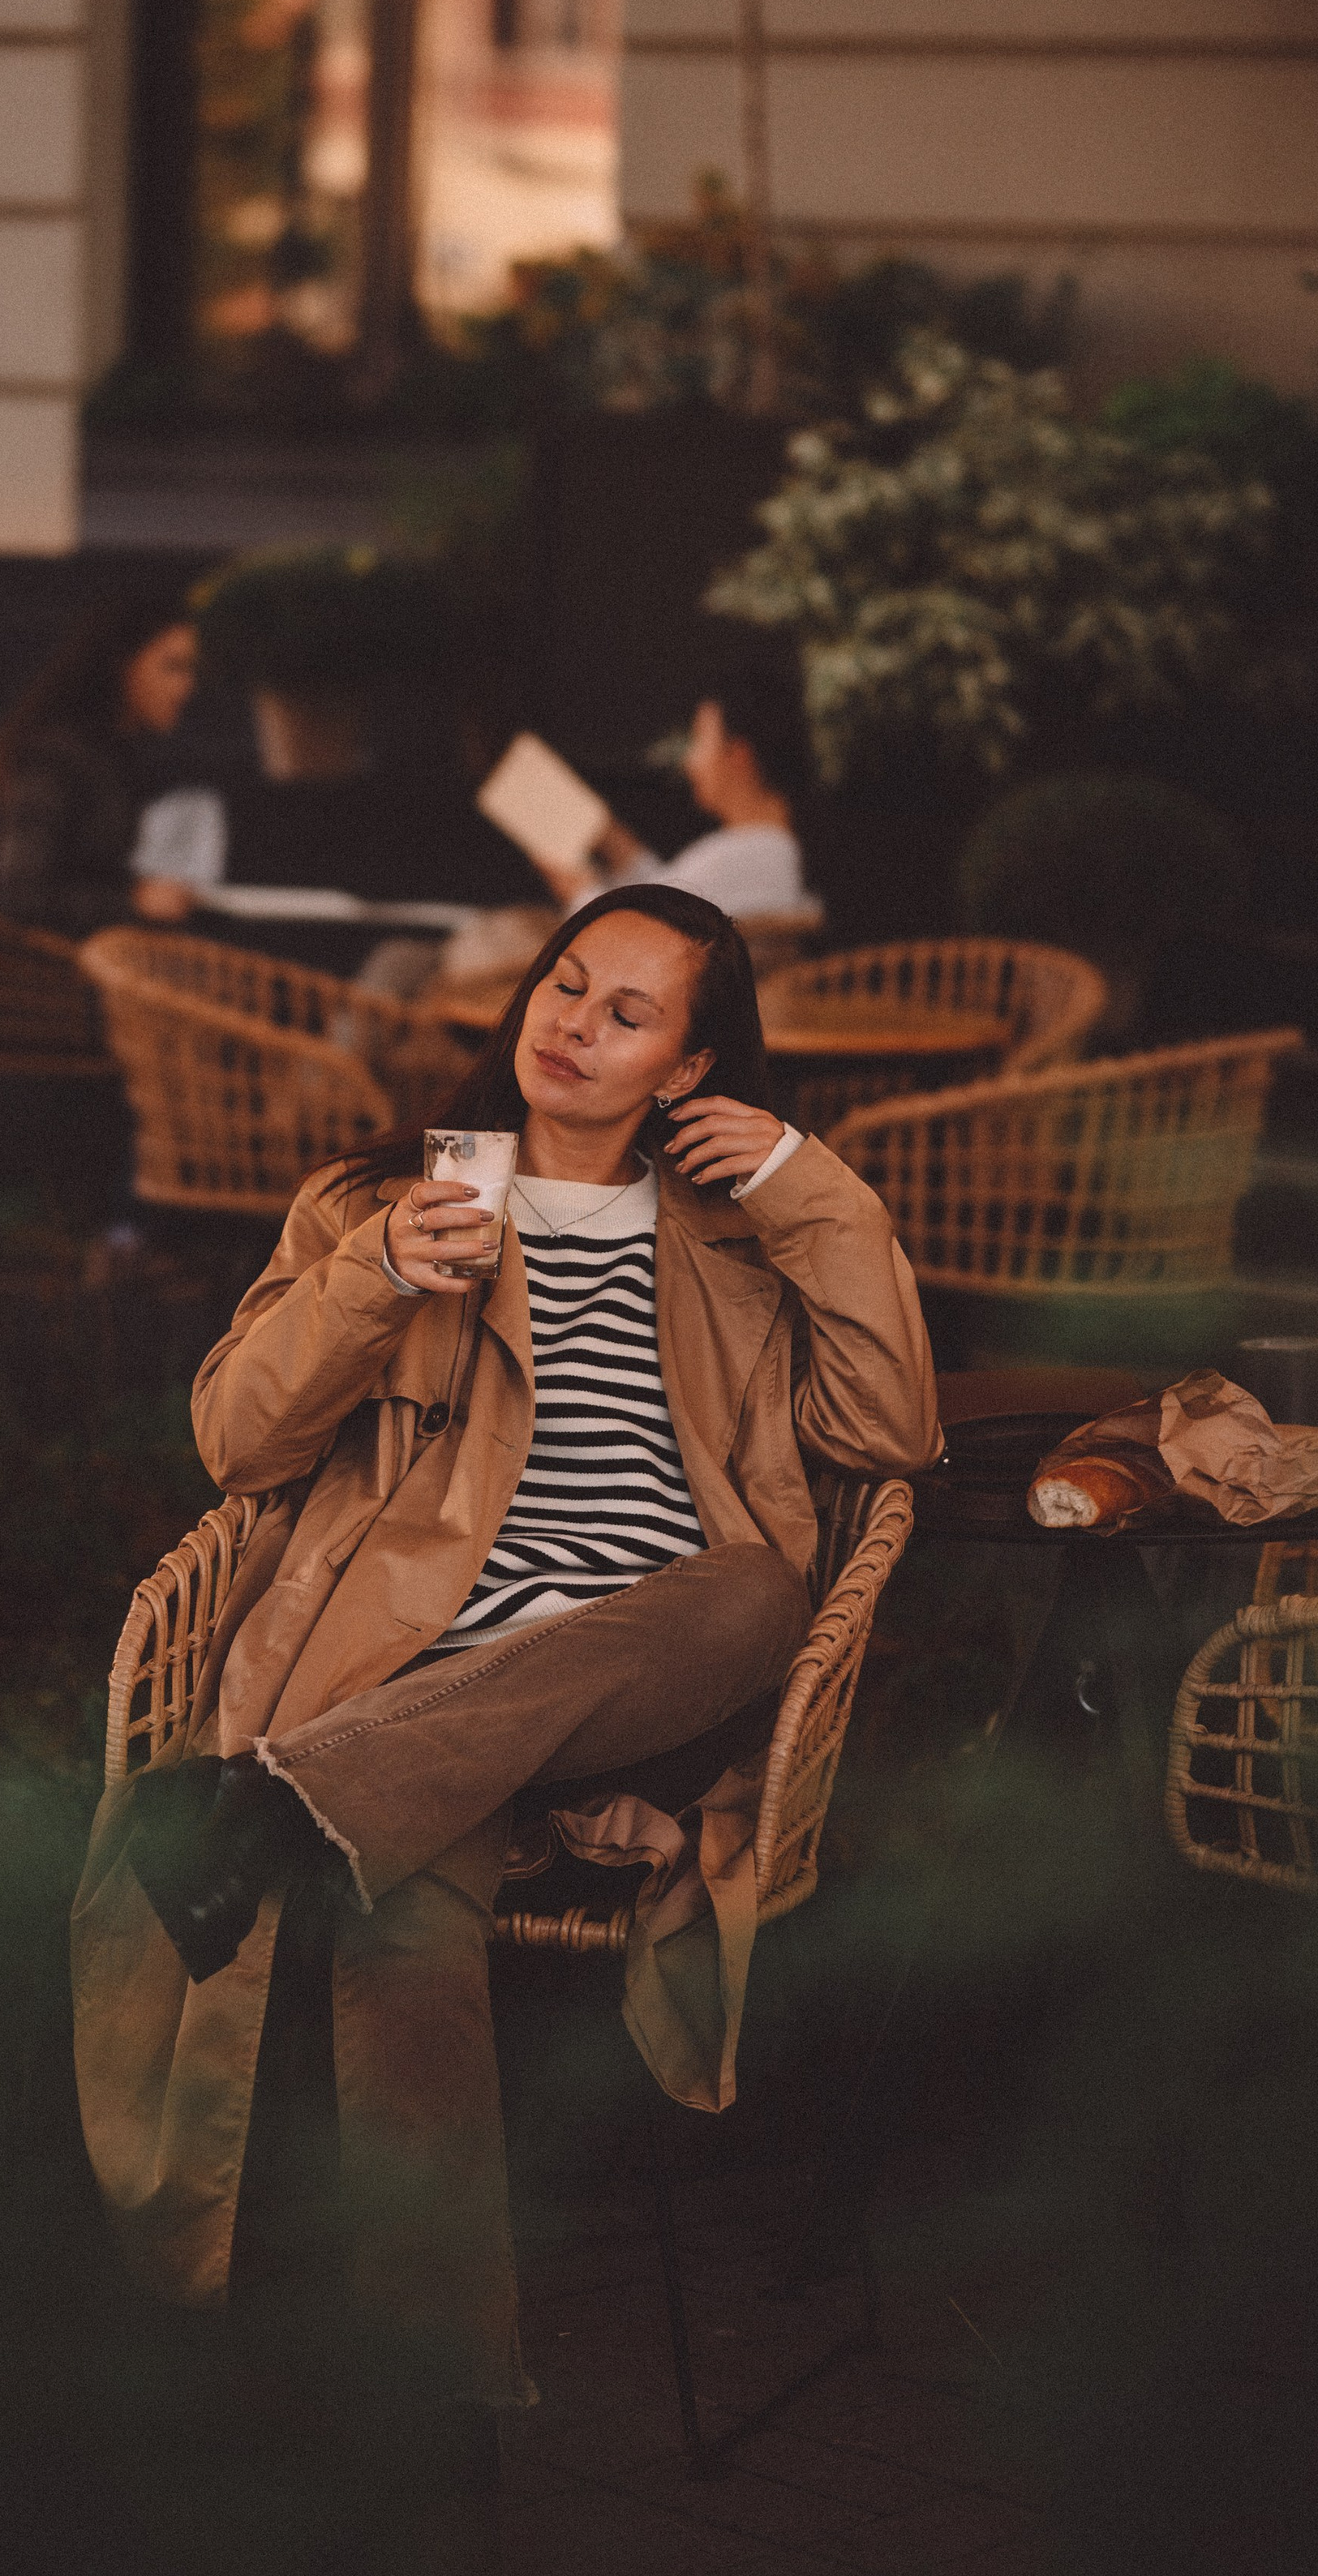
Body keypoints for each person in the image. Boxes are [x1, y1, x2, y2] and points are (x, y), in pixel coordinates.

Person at [71, 885, 937, 2403]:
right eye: (564, 983)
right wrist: (376, 1275)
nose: (574, 1025)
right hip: (421, 1699)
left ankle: (279, 1797)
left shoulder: (741, 1234)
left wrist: (816, 1187)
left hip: (659, 1663)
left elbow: (890, 1431)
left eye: (627, 1012)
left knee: (750, 1590)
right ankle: (438, 2400)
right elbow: (235, 1440)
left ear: (687, 1068)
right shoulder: (377, 1203)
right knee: (399, 1918)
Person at [0, 592, 203, 936]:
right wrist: (133, 904)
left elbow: (79, 870)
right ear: (121, 664)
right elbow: (23, 899)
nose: (187, 687)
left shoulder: (104, 752)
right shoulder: (56, 757)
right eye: (172, 667)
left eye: (191, 671)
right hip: (0, 969)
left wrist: (143, 891)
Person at [548, 645, 822, 927]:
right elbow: (667, 899)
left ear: (738, 756)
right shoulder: (771, 851)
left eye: (700, 741)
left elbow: (638, 936)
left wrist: (580, 890)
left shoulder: (744, 854)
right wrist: (613, 840)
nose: (689, 762)